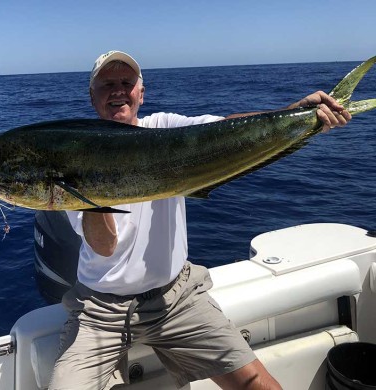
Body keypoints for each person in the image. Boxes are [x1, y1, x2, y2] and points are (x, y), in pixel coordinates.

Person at [49, 51, 351, 390]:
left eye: (126, 83)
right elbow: (104, 247)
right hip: (100, 310)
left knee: (261, 386)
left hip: (175, 298)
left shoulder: (163, 129)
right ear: (92, 97)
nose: (118, 90)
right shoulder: (72, 155)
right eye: (107, 85)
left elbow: (227, 129)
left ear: (141, 94)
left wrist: (297, 113)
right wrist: (88, 187)